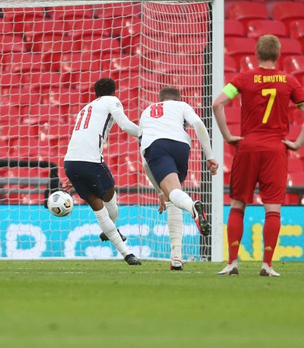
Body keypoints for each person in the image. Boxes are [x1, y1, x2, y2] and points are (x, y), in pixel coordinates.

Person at [213, 34, 304, 277]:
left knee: (238, 204)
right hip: (275, 149)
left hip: (248, 147)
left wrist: (228, 136)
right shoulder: (289, 81)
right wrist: (297, 143)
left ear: (257, 54)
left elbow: (218, 104)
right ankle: (267, 265)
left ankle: (232, 263)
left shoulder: (242, 78)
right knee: (273, 209)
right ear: (278, 55)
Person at [63, 77, 141, 265]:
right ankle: (113, 233)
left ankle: (127, 254)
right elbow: (126, 125)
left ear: (95, 93)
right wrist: (148, 135)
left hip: (71, 163)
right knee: (110, 203)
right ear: (114, 91)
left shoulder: (85, 109)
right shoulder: (112, 101)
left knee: (99, 210)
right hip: (91, 161)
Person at [139, 86, 219, 271]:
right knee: (173, 197)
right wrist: (210, 156)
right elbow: (198, 124)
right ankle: (176, 257)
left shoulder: (147, 112)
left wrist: (159, 190)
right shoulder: (182, 106)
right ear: (178, 98)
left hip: (156, 146)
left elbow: (144, 162)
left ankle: (193, 208)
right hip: (181, 146)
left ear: (160, 99)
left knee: (172, 195)